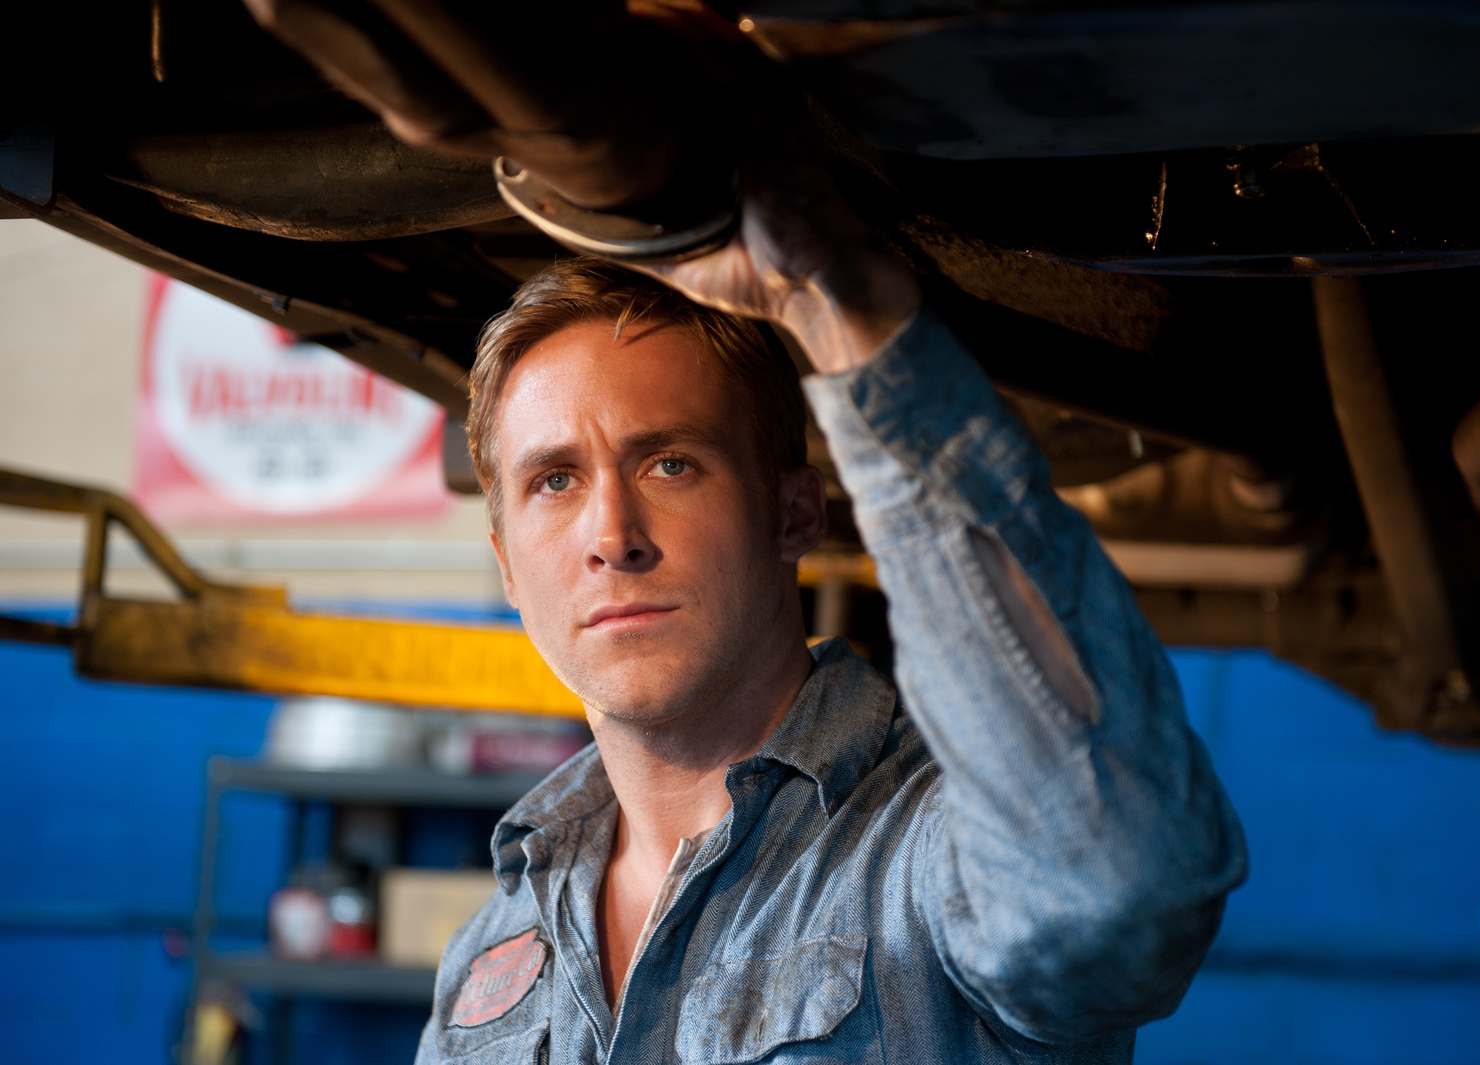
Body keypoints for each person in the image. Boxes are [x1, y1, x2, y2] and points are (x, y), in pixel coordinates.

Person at [415, 139, 1247, 1065]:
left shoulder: (935, 862)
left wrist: (846, 311)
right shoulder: (489, 956)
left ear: (795, 513)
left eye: (671, 463)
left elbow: (1115, 893)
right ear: (507, 566)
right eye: (555, 481)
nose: (613, 534)